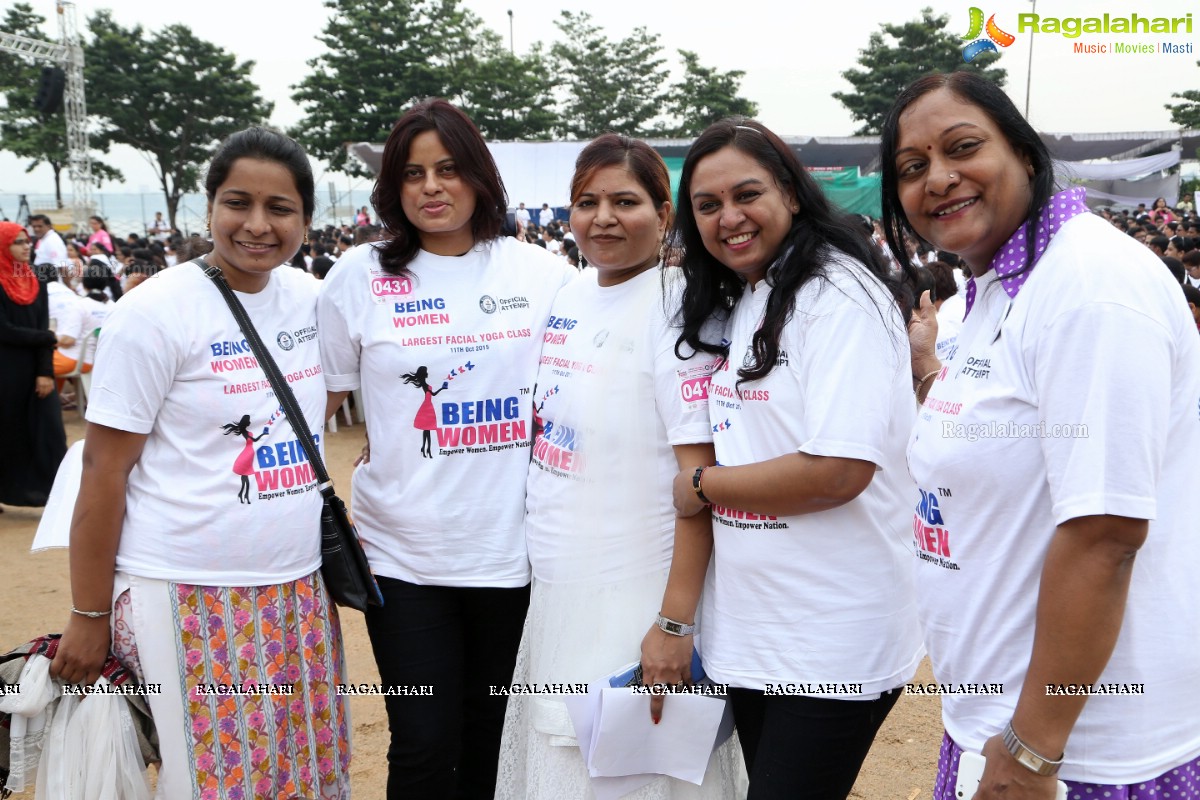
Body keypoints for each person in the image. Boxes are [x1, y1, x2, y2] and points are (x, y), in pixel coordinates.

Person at [881, 70, 1200, 800]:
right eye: (912, 167)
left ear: (1024, 153)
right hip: (998, 724)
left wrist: (1031, 750)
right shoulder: (993, 290)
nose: (939, 178)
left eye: (963, 147)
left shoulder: (1090, 286)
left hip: (1078, 750)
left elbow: (1105, 533)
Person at [49, 126, 351, 799]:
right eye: (237, 203)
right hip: (184, 592)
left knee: (302, 773)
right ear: (208, 207)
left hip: (298, 590)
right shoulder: (153, 314)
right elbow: (103, 470)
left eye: (280, 209)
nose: (256, 225)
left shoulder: (310, 299)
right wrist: (89, 615)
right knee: (213, 782)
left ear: (306, 217)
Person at [317, 98, 574, 799]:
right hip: (403, 560)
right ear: (393, 189)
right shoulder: (358, 276)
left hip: (514, 556)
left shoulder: (542, 275)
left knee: (495, 737)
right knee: (425, 742)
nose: (431, 186)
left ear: (479, 178)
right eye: (413, 173)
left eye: (449, 169)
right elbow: (319, 406)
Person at [661, 118, 923, 799]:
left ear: (793, 194)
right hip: (757, 632)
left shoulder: (838, 296)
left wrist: (702, 484)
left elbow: (838, 471)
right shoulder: (752, 294)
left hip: (832, 636)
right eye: (707, 206)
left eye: (747, 194)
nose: (730, 218)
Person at [496, 134, 744, 798]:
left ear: (666, 214)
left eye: (625, 201)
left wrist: (672, 624)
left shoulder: (680, 309)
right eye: (587, 202)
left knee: (626, 776)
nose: (603, 218)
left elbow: (699, 487)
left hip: (637, 595)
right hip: (558, 588)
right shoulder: (571, 295)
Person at [0, 222, 67, 508]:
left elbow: (40, 329)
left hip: (34, 370)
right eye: (18, 242)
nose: (26, 246)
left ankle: (55, 496)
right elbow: (3, 330)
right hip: (5, 371)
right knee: (6, 431)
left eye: (27, 241)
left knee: (49, 430)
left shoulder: (35, 281)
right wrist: (49, 336)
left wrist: (45, 372)